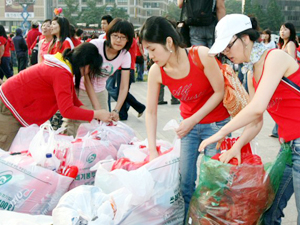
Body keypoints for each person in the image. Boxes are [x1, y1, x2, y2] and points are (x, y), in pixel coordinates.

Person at [198, 14, 300, 225]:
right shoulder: (253, 73)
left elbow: (256, 108)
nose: (226, 53)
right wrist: (237, 146)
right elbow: (257, 122)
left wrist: (221, 132)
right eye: (223, 50)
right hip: (289, 146)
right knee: (269, 208)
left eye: (228, 46)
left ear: (245, 38)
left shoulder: (275, 58)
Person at [140, 16, 230, 219]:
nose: (150, 55)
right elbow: (151, 111)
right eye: (147, 50)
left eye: (153, 49)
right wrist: (152, 150)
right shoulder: (157, 71)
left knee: (214, 184)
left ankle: (210, 221)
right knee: (184, 184)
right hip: (188, 130)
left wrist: (192, 120)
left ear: (169, 42)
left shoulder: (201, 55)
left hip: (217, 127)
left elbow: (219, 92)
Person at [0, 43, 112, 151]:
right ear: (86, 64)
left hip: (15, 104)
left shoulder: (64, 67)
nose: (87, 74)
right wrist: (96, 114)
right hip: (10, 106)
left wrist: (99, 115)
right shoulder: (61, 73)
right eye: (91, 70)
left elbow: (73, 102)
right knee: (4, 151)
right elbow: (67, 111)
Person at [64, 18, 134, 136]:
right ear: (109, 35)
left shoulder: (125, 55)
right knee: (77, 127)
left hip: (101, 91)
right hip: (81, 90)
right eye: (115, 35)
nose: (118, 40)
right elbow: (87, 81)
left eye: (123, 37)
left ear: (128, 39)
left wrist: (116, 110)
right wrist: (97, 111)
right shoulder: (96, 46)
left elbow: (124, 86)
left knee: (102, 129)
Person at [270, 23, 299, 138]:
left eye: (285, 29)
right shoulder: (283, 44)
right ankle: (278, 130)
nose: (282, 31)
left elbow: (292, 60)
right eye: (281, 29)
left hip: (289, 78)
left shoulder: (291, 44)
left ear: (291, 31)